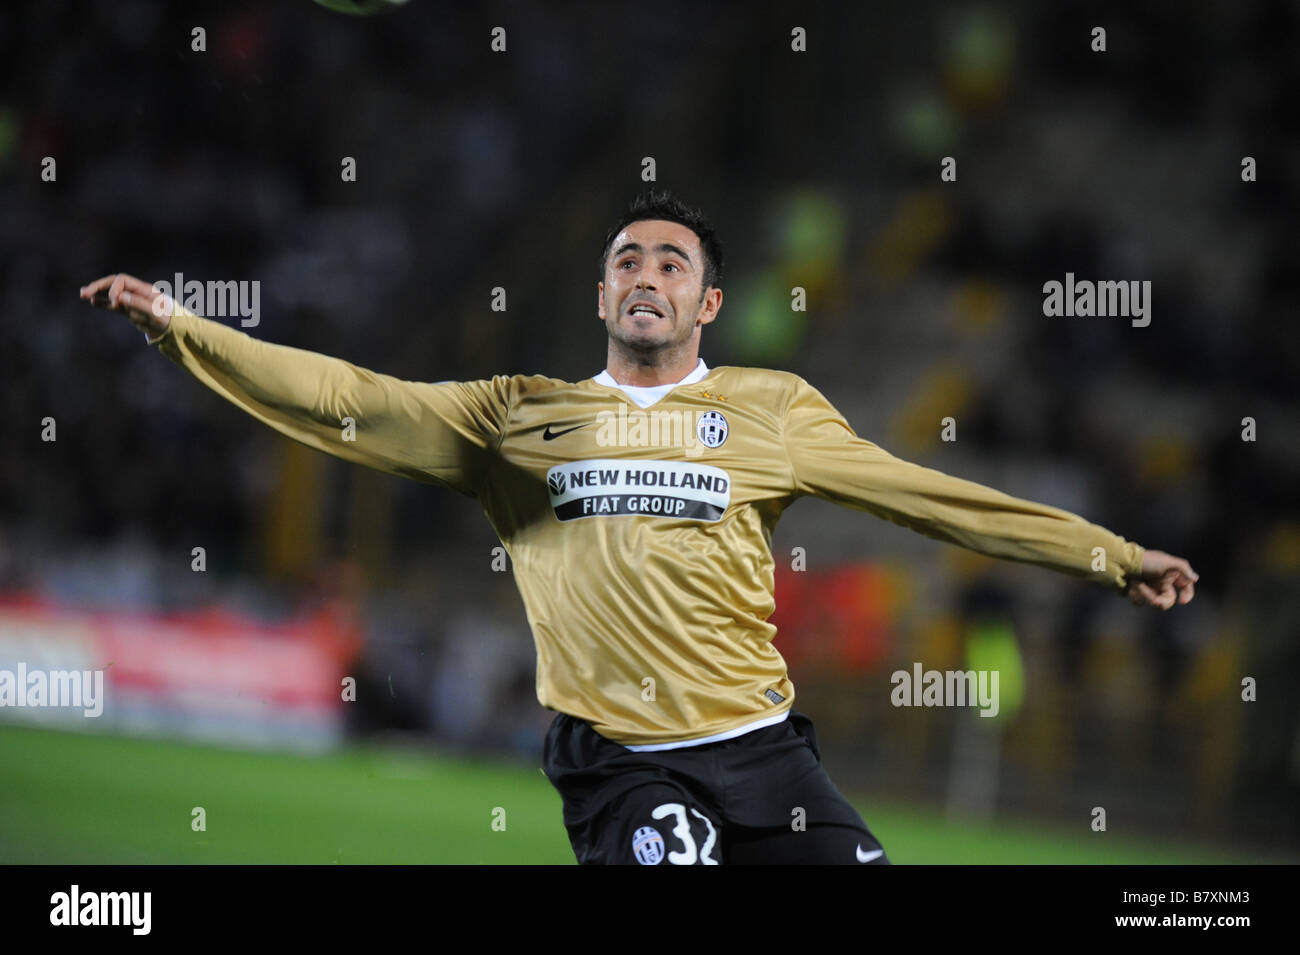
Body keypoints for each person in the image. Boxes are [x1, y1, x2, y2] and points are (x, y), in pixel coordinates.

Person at [80, 189, 1197, 865]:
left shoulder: (772, 411)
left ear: (707, 302)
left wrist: (1109, 554)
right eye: (627, 260)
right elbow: (349, 399)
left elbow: (930, 497)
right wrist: (187, 328)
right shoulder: (515, 418)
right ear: (602, 294)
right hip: (617, 758)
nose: (646, 274)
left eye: (672, 262)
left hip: (761, 753)